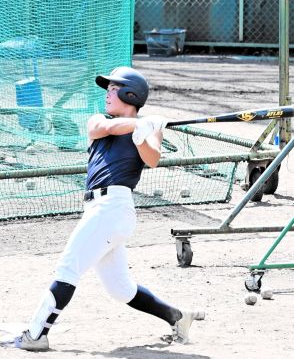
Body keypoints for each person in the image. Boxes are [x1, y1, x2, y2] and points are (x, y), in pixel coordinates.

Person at [8, 66, 205, 351]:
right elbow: (107, 128)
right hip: (99, 210)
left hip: (114, 207)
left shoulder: (149, 129)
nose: (108, 94)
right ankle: (176, 316)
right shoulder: (100, 120)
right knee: (120, 289)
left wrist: (148, 133)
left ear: (130, 94)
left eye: (113, 89)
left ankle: (36, 335)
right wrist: (140, 125)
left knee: (68, 267)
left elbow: (152, 159)